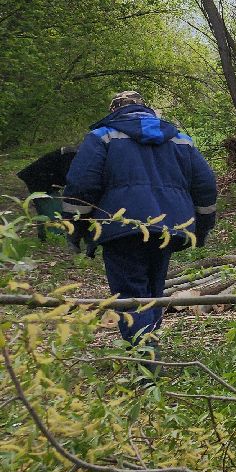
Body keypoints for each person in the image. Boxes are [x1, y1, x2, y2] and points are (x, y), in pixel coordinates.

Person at [62, 91, 218, 369]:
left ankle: (147, 361)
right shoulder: (180, 139)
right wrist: (203, 228)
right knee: (152, 289)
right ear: (147, 108)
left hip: (121, 228)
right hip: (170, 227)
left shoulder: (103, 137)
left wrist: (74, 229)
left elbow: (81, 186)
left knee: (129, 293)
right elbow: (205, 186)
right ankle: (149, 349)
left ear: (114, 110)